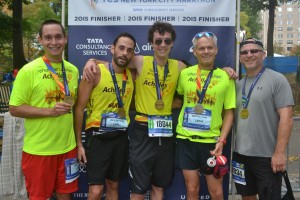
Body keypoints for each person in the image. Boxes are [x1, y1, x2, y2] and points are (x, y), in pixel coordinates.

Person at [9, 19, 79, 200]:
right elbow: (14, 108)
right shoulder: (28, 70)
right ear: (40, 40)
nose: (54, 42)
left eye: (58, 37)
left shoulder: (72, 71)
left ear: (66, 39)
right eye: (48, 38)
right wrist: (49, 111)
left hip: (67, 148)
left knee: (66, 196)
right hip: (39, 151)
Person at [74, 32, 136, 200]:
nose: (124, 53)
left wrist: (93, 59)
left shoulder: (132, 74)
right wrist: (79, 143)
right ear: (112, 49)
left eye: (129, 50)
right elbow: (79, 109)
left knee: (113, 185)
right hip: (98, 137)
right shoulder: (94, 73)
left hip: (121, 136)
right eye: (121, 48)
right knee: (95, 190)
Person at [175, 31, 236, 200]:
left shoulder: (226, 77)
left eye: (210, 47)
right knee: (191, 189)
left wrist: (222, 141)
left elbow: (230, 112)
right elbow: (180, 96)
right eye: (201, 48)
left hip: (211, 143)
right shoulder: (185, 74)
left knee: (216, 192)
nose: (206, 51)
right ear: (194, 52)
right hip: (186, 140)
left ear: (216, 50)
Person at [232, 38, 294, 200]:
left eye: (254, 51)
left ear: (264, 54)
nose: (249, 55)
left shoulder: (277, 80)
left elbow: (286, 118)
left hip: (267, 157)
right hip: (241, 155)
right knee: (246, 196)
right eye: (244, 52)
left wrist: (279, 153)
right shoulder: (238, 85)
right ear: (240, 57)